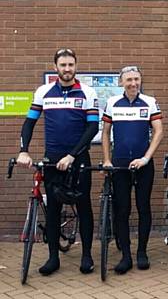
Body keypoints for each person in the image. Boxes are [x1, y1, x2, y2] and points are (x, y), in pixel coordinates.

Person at [17, 48, 99, 275]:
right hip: (53, 158)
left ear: (76, 66)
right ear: (55, 67)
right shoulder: (43, 92)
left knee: (84, 207)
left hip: (78, 157)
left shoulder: (87, 92)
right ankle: (53, 258)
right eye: (63, 65)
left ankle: (87, 256)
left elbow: (93, 127)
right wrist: (23, 150)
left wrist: (72, 155)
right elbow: (29, 123)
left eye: (71, 64)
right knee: (53, 208)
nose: (67, 69)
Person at [101, 65, 163, 274]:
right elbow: (106, 133)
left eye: (136, 79)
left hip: (144, 164)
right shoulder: (112, 103)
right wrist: (107, 159)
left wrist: (146, 158)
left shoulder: (150, 102)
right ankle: (126, 255)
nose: (133, 83)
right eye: (129, 80)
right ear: (121, 83)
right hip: (119, 164)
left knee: (143, 207)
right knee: (122, 210)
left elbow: (159, 131)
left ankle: (142, 252)